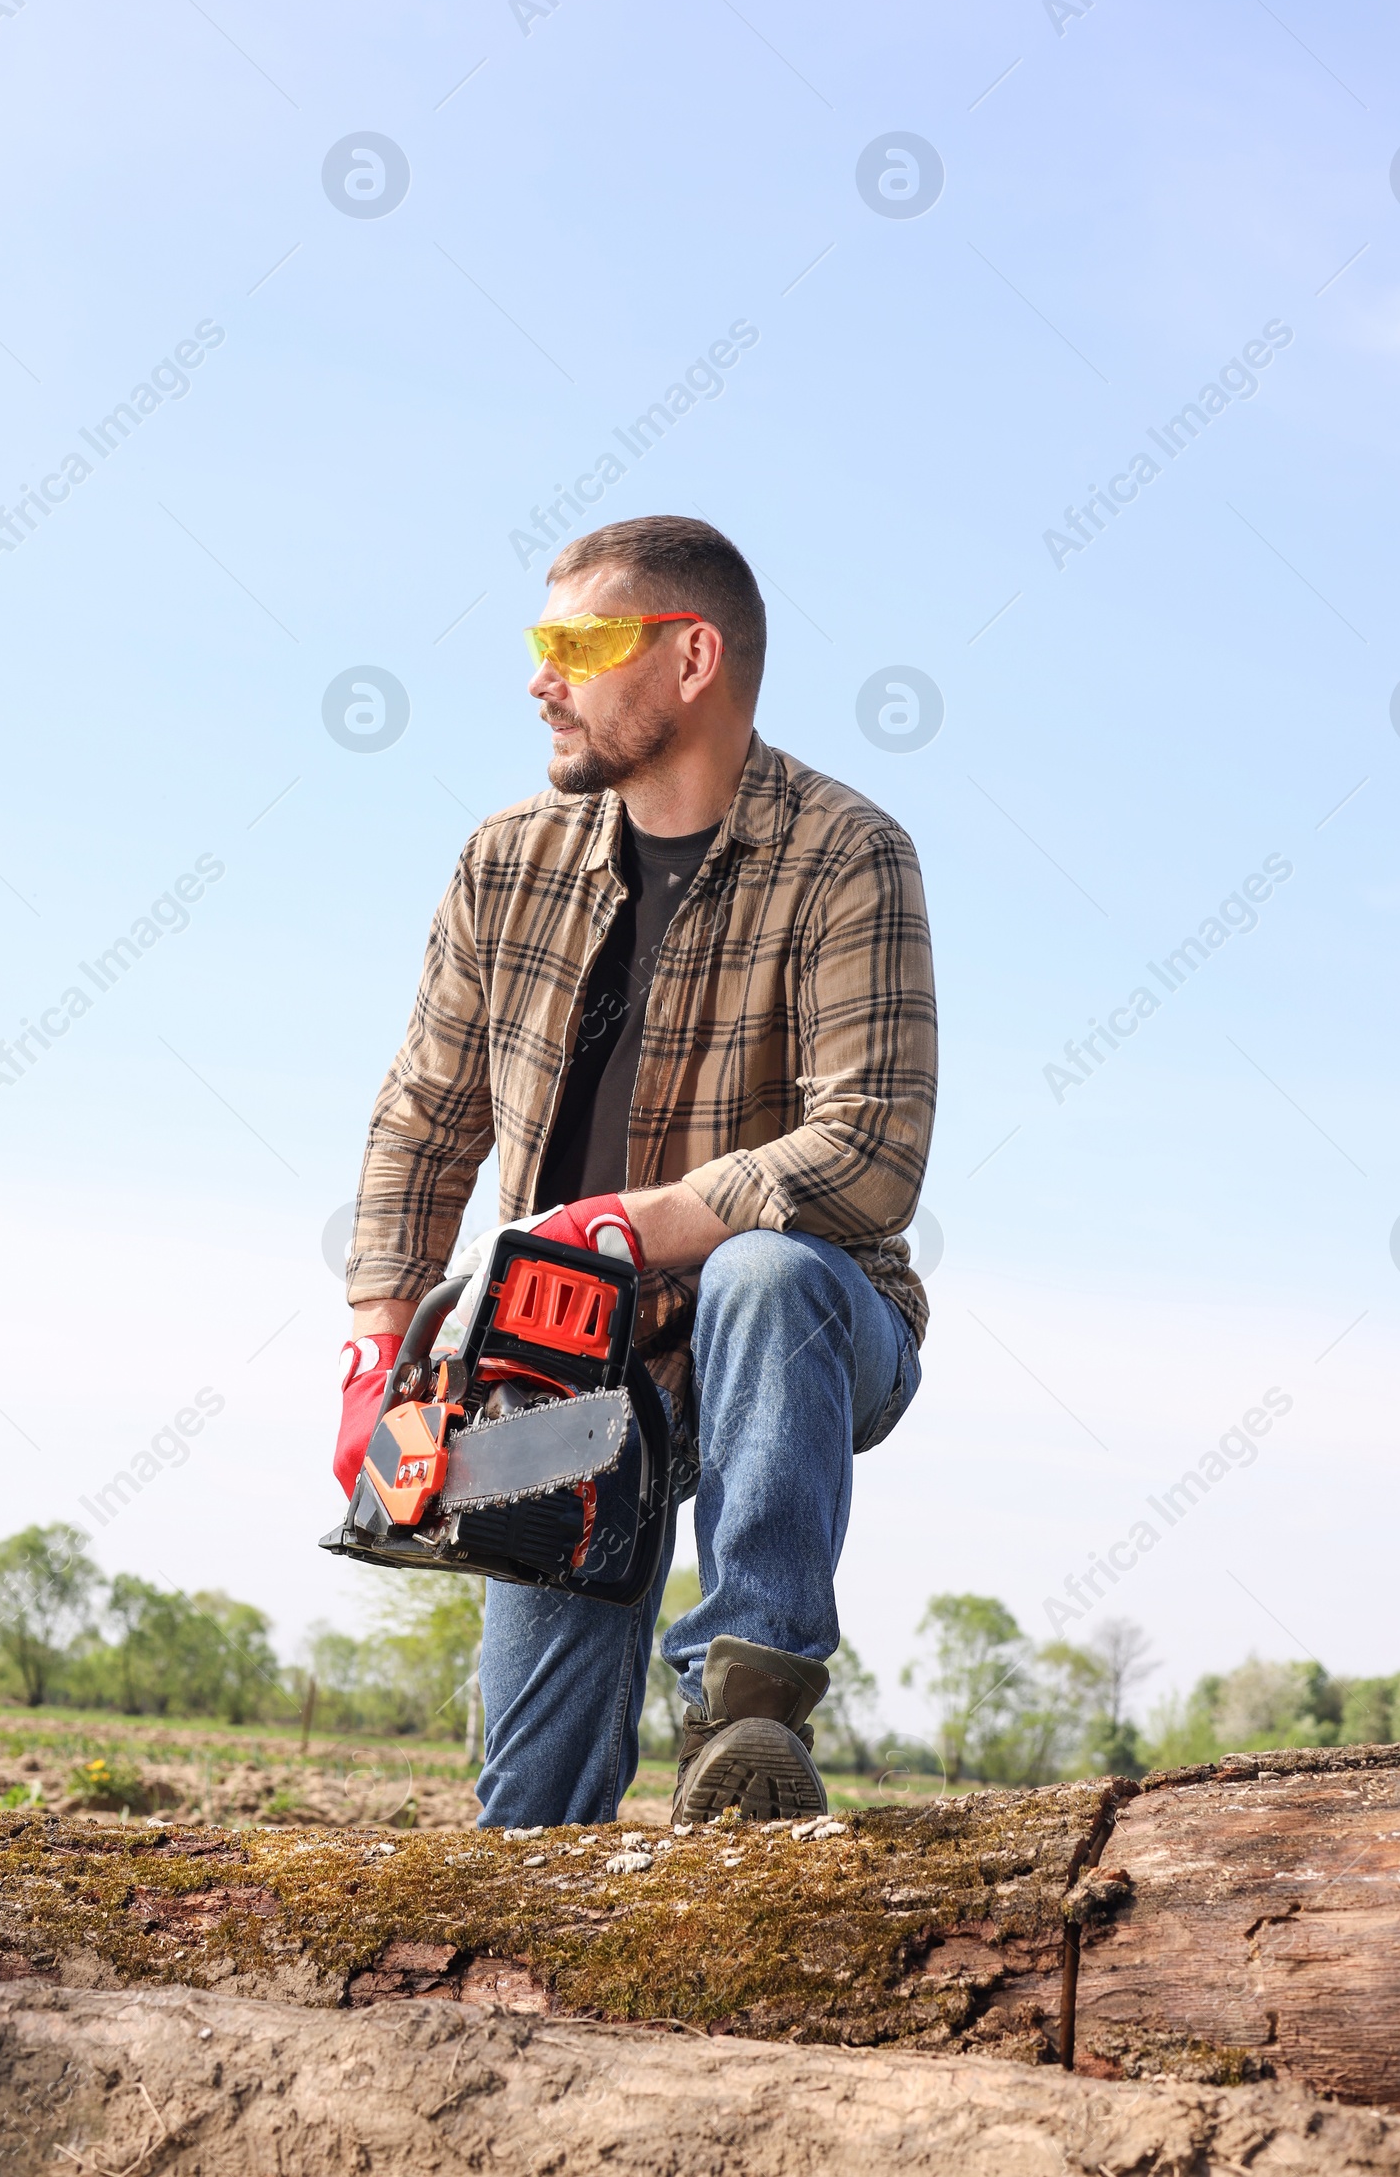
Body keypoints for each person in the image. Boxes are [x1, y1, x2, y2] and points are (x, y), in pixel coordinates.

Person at [336, 515, 936, 1828]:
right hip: (562, 1370)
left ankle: (745, 1714)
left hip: (798, 1338)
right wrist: (378, 1356)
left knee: (765, 1275)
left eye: (577, 642)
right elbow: (426, 1118)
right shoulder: (506, 861)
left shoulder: (848, 854)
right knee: (528, 1817)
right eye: (538, 643)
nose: (539, 677)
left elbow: (871, 1156)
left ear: (690, 657)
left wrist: (620, 1221)